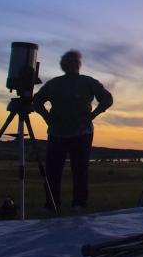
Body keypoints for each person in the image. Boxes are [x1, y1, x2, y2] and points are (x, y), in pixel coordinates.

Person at [33, 50, 113, 211]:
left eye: (75, 62)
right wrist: (47, 117)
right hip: (57, 133)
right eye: (69, 62)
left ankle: (79, 203)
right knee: (53, 171)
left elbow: (107, 99)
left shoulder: (88, 82)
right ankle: (52, 204)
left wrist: (94, 114)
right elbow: (37, 101)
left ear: (79, 65)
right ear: (64, 66)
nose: (72, 65)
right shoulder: (54, 84)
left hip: (82, 133)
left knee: (80, 169)